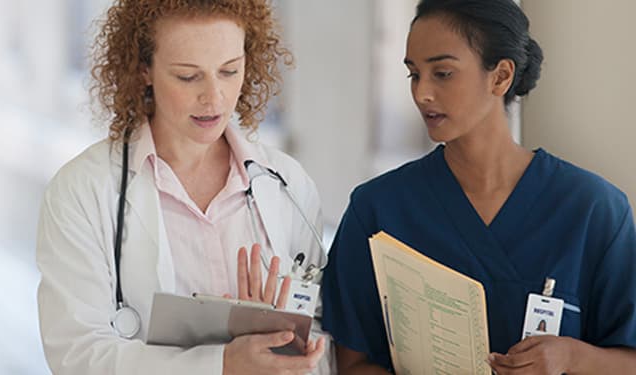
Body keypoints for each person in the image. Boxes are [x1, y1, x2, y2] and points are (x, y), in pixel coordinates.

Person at [320, 1, 636, 374]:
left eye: (442, 73)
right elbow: (351, 362)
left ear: (500, 77)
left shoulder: (594, 210)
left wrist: (570, 356)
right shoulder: (377, 209)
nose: (422, 93)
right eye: (413, 74)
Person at [35, 0, 333, 373]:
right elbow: (78, 355)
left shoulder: (287, 184)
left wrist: (283, 346)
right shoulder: (81, 191)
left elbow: (322, 337)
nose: (214, 98)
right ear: (144, 70)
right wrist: (222, 365)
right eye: (188, 76)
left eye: (228, 71)